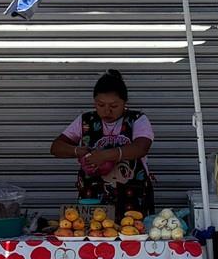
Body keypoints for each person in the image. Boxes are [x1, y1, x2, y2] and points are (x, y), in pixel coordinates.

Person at [49, 69, 155, 216]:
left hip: (133, 198)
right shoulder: (85, 121)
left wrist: (105, 155)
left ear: (125, 103)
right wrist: (76, 150)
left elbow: (141, 147)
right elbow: (56, 147)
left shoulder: (137, 119)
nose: (107, 111)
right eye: (100, 105)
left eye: (114, 106)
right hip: (92, 199)